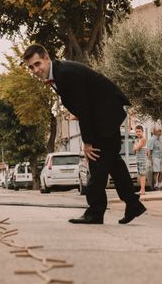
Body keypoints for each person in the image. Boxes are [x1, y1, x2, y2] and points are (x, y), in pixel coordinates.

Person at [23, 44, 146, 225]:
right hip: (105, 114)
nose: (35, 70)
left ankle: (95, 212)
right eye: (31, 67)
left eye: (37, 64)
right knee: (113, 163)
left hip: (104, 116)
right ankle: (133, 204)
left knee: (96, 163)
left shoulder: (64, 74)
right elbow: (83, 103)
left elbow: (84, 109)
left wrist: (87, 142)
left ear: (47, 58)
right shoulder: (58, 72)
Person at [133, 124, 148, 195]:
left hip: (143, 160)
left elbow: (137, 148)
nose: (138, 133)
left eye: (139, 131)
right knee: (140, 175)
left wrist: (136, 146)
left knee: (142, 175)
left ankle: (143, 190)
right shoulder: (137, 139)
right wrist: (136, 147)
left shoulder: (143, 139)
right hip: (138, 159)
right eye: (137, 131)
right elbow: (133, 149)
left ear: (142, 131)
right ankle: (141, 189)